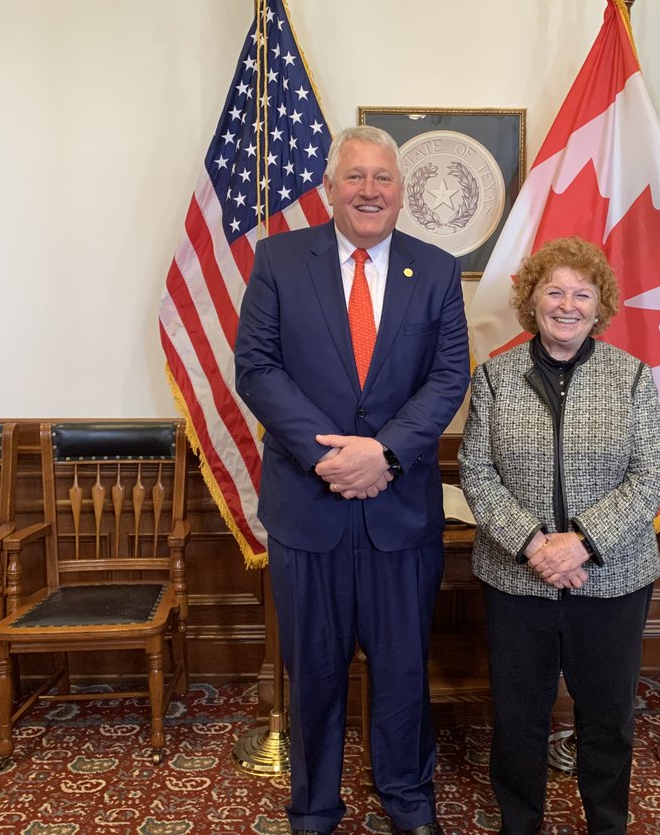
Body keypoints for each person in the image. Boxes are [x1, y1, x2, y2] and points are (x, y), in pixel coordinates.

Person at [235, 125, 470, 835]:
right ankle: (313, 804)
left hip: (400, 510)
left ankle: (407, 796)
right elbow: (258, 367)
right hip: (308, 508)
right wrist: (330, 457)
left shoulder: (433, 269)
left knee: (402, 667)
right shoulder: (278, 259)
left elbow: (448, 376)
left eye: (383, 178)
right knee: (313, 671)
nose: (370, 190)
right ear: (332, 189)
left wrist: (385, 454)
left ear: (402, 193)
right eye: (356, 177)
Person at [458, 237, 660, 835]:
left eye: (583, 292)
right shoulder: (497, 377)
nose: (568, 304)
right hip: (515, 581)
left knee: (607, 718)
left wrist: (582, 542)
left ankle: (607, 822)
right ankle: (518, 824)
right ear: (531, 300)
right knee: (518, 716)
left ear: (600, 304)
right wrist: (533, 546)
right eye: (554, 290)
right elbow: (477, 470)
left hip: (613, 580)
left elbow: (652, 470)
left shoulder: (631, 376)